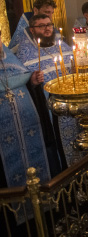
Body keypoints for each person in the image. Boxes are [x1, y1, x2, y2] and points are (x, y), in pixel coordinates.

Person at [0, 38, 64, 189]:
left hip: (29, 127)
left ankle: (45, 205)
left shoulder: (12, 62)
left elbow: (25, 83)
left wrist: (32, 82)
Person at [16, 14, 77, 165]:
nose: (47, 29)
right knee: (61, 146)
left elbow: (75, 70)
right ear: (32, 30)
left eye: (49, 25)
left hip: (73, 103)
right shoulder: (24, 52)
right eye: (41, 26)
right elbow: (23, 82)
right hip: (50, 109)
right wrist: (33, 80)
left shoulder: (62, 45)